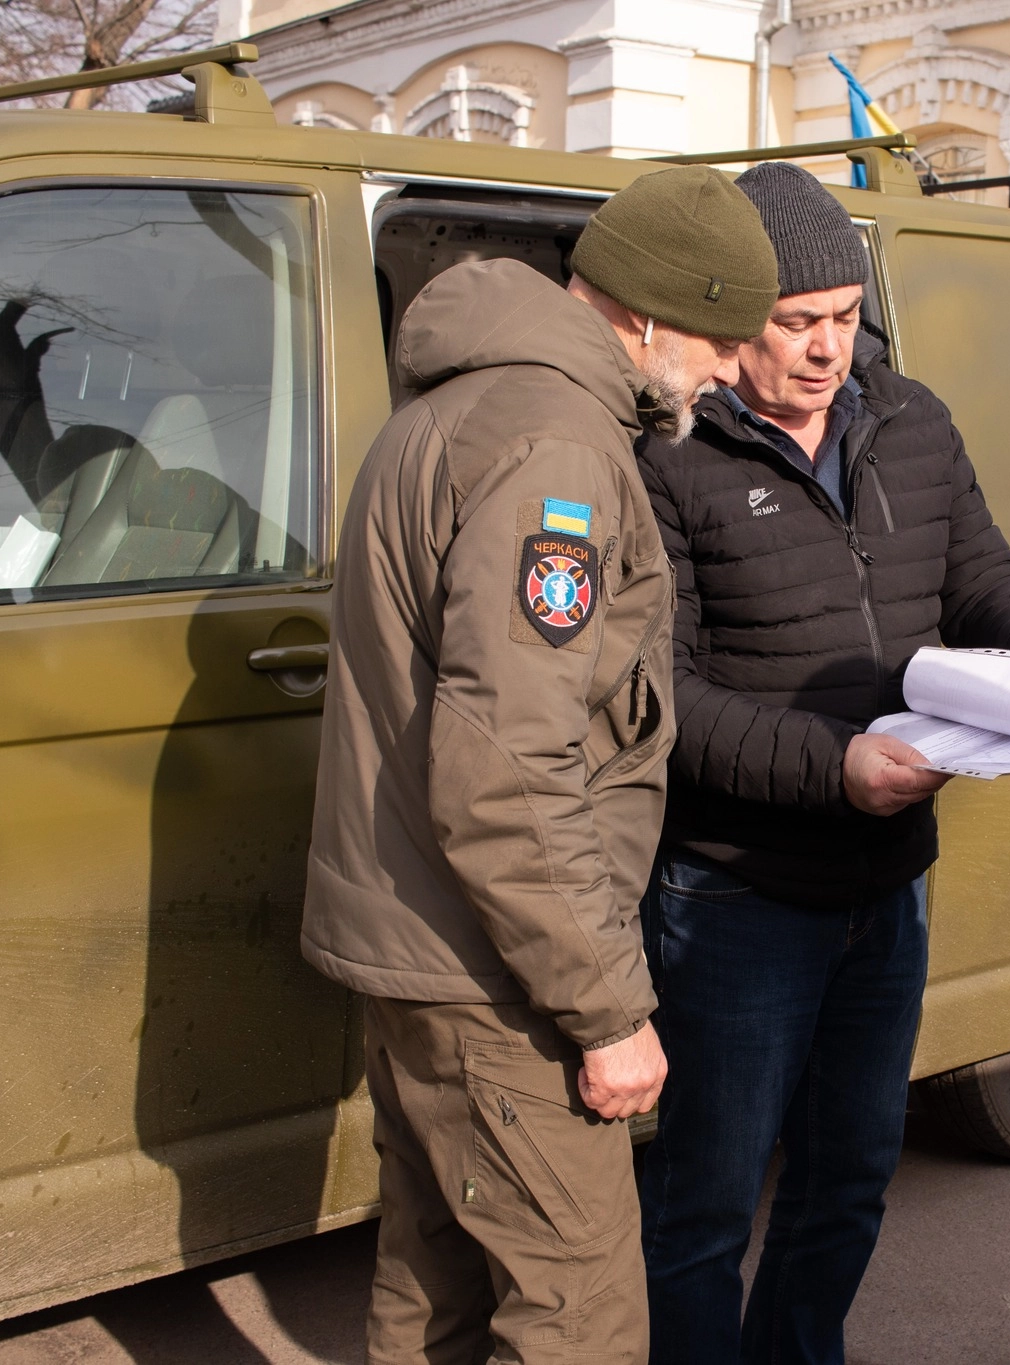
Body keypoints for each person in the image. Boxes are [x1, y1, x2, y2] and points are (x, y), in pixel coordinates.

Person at [301, 166, 778, 1365]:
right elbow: (508, 764)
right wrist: (605, 1009)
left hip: (428, 949)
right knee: (579, 1318)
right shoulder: (553, 451)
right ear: (653, 315)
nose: (733, 371)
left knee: (436, 1292)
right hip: (498, 974)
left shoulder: (459, 408)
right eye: (724, 340)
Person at [632, 161, 1010, 1365]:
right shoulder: (666, 457)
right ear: (735, 314)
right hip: (733, 892)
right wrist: (830, 766)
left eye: (843, 317)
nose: (823, 350)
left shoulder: (912, 419)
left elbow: (980, 576)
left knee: (845, 1181)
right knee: (703, 1206)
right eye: (793, 322)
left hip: (887, 883)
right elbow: (660, 697)